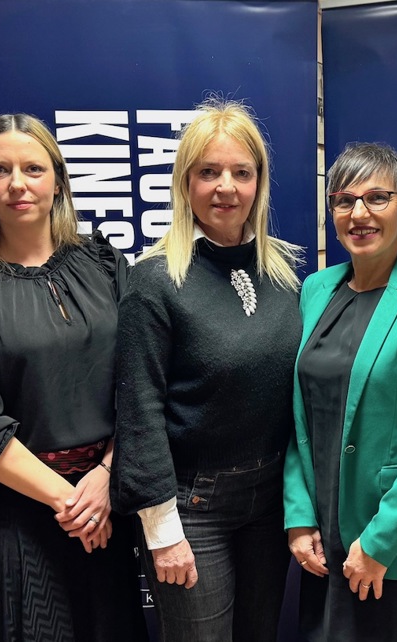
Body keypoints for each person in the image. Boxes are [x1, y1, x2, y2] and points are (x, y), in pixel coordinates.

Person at [0, 114, 148, 641]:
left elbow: (141, 382)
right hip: (15, 517)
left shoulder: (105, 265)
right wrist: (70, 503)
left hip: (107, 501)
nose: (17, 184)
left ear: (58, 180)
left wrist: (105, 477)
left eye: (33, 168)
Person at [111, 99, 302, 641]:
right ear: (185, 182)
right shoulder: (154, 280)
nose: (226, 187)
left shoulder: (285, 272)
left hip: (270, 502)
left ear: (259, 183)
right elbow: (139, 410)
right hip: (191, 507)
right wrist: (161, 529)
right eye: (209, 172)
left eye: (242, 172)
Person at [284, 142, 397, 641]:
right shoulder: (316, 289)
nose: (359, 213)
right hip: (324, 537)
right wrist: (298, 517)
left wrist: (378, 543)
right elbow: (298, 417)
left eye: (377, 198)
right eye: (344, 200)